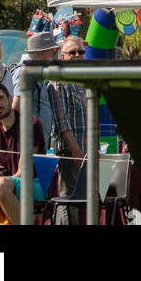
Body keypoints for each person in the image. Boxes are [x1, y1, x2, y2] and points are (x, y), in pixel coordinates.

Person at [0, 82, 46, 225]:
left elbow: (23, 171)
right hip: (2, 182)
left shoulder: (30, 123)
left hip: (33, 183)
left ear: (10, 98)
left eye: (0, 98)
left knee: (0, 185)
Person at [49, 35, 88, 224]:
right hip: (69, 151)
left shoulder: (85, 82)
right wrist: (76, 151)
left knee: (84, 200)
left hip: (88, 150)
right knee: (68, 200)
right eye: (72, 52)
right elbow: (62, 123)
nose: (77, 55)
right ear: (62, 56)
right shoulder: (58, 82)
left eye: (80, 52)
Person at [11, 31, 59, 145]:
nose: (55, 55)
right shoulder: (26, 72)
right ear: (42, 53)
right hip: (28, 145)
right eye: (53, 52)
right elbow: (16, 106)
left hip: (36, 143)